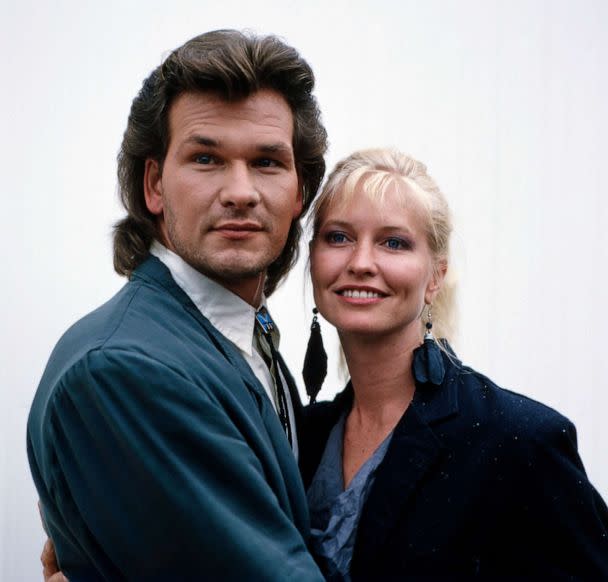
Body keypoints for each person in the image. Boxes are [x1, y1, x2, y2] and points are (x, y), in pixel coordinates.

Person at [27, 30, 327, 581]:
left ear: (299, 191)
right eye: (207, 158)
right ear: (154, 185)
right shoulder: (122, 370)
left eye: (266, 162)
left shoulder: (245, 335)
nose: (240, 191)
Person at [299, 148, 608, 580]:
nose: (361, 262)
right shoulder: (298, 433)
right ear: (312, 258)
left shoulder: (520, 442)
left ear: (436, 276)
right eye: (339, 237)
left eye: (394, 242)